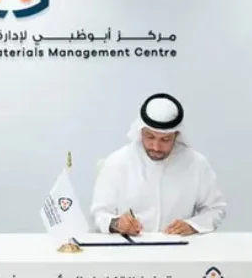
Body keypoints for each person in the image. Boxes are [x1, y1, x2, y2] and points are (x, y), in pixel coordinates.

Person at [90, 93, 227, 236]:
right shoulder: (117, 162)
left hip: (180, 251)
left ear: (176, 135)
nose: (156, 147)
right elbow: (99, 214)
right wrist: (116, 224)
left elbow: (216, 209)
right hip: (129, 252)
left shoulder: (196, 164)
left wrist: (193, 225)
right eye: (150, 137)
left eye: (165, 139)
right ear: (140, 130)